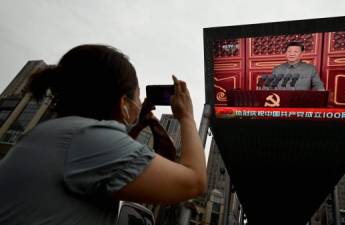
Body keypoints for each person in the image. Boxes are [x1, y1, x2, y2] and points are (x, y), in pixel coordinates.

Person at [0, 44, 207, 225]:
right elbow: (194, 182)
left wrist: (138, 125)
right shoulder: (89, 138)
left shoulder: (54, 132)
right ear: (123, 103)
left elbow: (121, 161)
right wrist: (187, 116)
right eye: (136, 96)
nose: (139, 103)